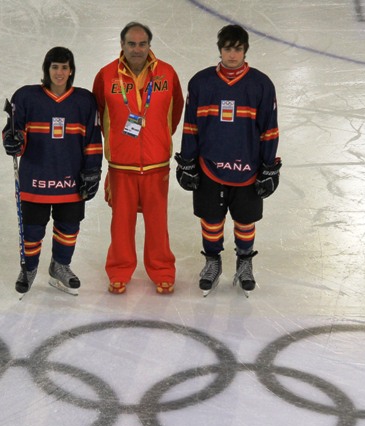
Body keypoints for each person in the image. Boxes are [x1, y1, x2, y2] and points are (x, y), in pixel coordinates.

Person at [175, 24, 281, 296]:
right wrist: (187, 161)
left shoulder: (261, 84)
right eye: (227, 48)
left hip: (248, 167)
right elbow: (190, 126)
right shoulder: (201, 83)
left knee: (245, 222)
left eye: (238, 49)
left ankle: (244, 263)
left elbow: (269, 128)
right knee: (211, 221)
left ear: (245, 50)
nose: (232, 55)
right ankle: (212, 262)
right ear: (219, 49)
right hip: (209, 167)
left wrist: (269, 167)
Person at [3, 46, 103, 297]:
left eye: (65, 67)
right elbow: (13, 131)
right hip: (35, 177)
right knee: (33, 228)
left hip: (70, 178)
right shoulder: (26, 97)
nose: (60, 72)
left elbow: (92, 139)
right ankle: (29, 268)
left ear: (71, 71)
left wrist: (92, 171)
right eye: (55, 67)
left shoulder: (84, 100)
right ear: (47, 69)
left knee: (69, 227)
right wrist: (13, 140)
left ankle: (60, 265)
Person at [93, 21, 184, 295]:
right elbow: (98, 113)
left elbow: (176, 109)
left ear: (149, 46)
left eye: (142, 44)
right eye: (131, 44)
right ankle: (119, 270)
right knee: (121, 223)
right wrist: (117, 144)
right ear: (122, 45)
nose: (137, 49)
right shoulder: (106, 76)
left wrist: (158, 138)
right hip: (122, 165)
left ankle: (162, 270)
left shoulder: (166, 73)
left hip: (157, 164)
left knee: (158, 223)